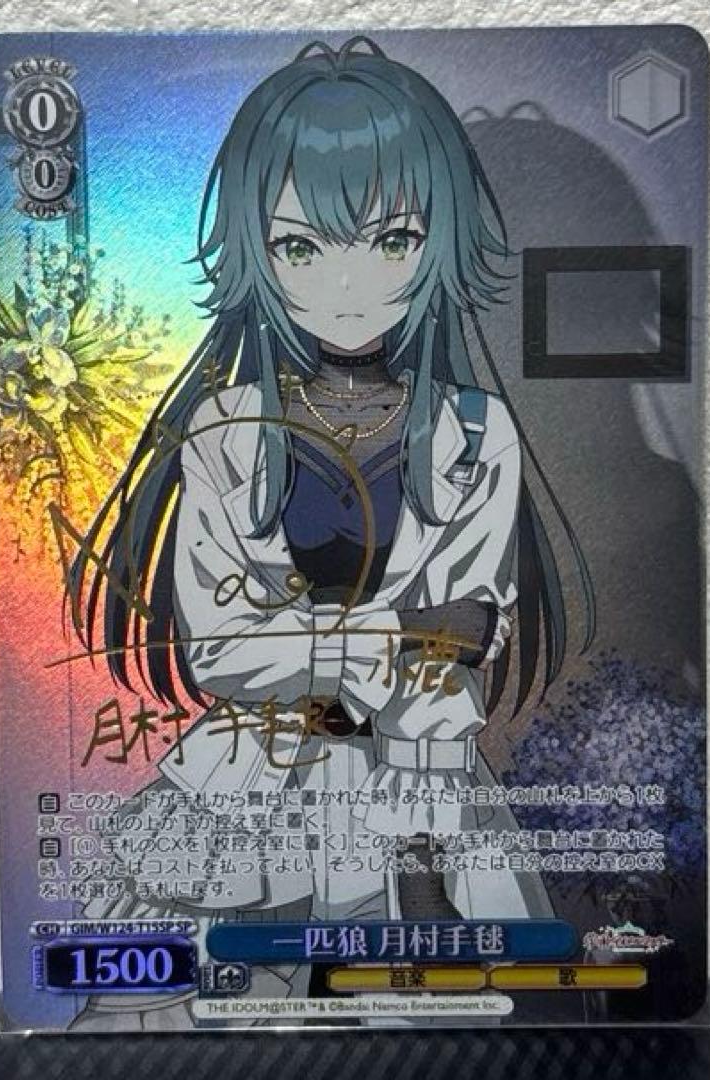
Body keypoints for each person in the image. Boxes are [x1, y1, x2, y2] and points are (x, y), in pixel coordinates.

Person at [67, 36, 592, 1030]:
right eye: (302, 248)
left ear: (439, 243)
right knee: (186, 1020)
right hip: (245, 782)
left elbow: (463, 646)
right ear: (255, 255)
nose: (346, 287)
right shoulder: (226, 429)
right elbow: (223, 650)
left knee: (451, 1020)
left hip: (420, 785)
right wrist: (395, 635)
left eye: (391, 241)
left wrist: (336, 659)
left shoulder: (476, 433)